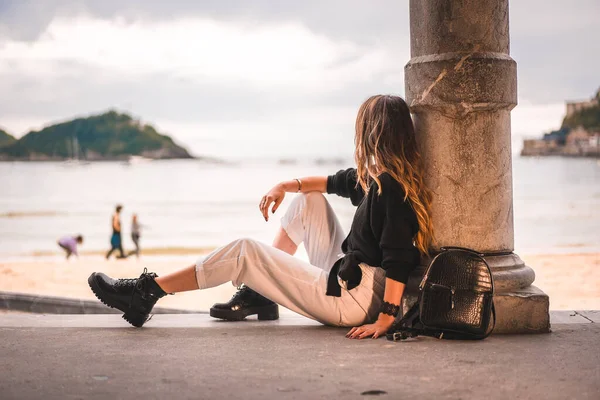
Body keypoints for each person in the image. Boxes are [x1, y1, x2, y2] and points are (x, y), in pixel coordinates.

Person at [88, 95, 435, 339]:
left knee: (245, 251)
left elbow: (398, 258)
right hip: (349, 276)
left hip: (353, 300)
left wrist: (387, 318)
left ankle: (147, 292)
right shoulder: (380, 179)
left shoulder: (388, 188)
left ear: (373, 134)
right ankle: (262, 295)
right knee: (309, 201)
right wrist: (285, 185)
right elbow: (335, 182)